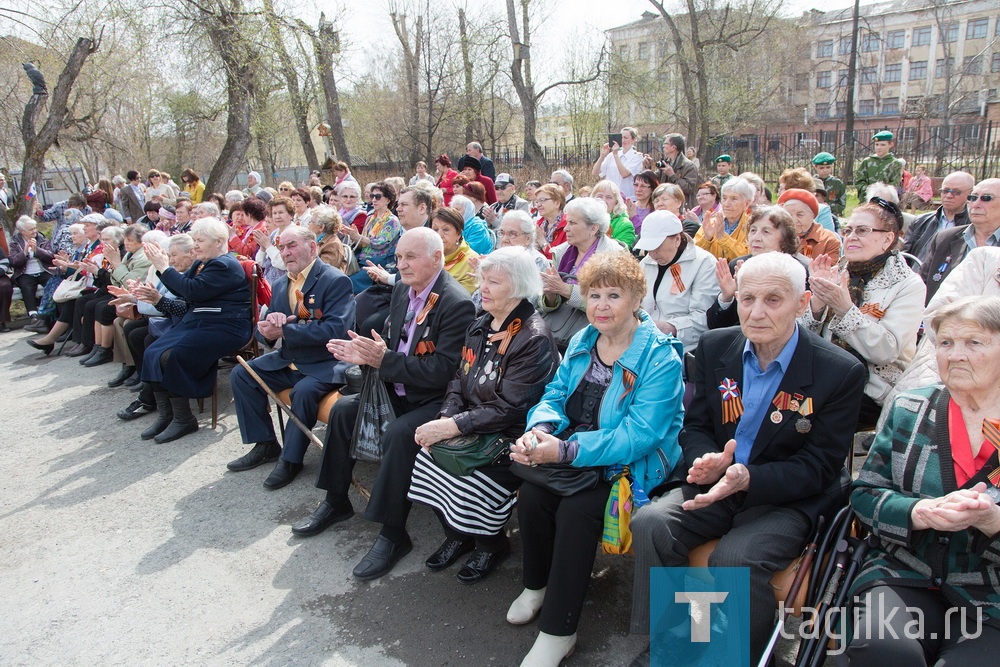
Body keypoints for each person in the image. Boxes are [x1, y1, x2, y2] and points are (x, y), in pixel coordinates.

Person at [628, 252, 867, 666]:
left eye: (773, 300)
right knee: (651, 523)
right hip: (718, 483)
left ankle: (740, 656)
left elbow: (820, 466)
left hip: (787, 496)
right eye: (746, 298)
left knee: (735, 557)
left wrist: (748, 477)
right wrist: (708, 459)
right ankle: (683, 639)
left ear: (802, 302)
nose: (755, 312)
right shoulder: (715, 345)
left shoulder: (839, 371)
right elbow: (697, 424)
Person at [508, 252, 685, 666]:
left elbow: (640, 435)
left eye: (613, 295)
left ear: (637, 297)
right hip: (576, 447)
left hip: (629, 465)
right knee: (533, 495)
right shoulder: (585, 340)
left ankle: (559, 631)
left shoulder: (660, 358)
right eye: (593, 295)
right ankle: (537, 585)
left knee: (578, 510)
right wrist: (542, 431)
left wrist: (567, 451)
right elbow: (553, 395)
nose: (601, 305)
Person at [292, 229, 476, 582]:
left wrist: (382, 360)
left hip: (436, 399)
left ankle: (393, 534)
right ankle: (336, 499)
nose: (401, 264)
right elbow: (391, 346)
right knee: (346, 410)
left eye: (411, 257)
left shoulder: (456, 302)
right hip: (399, 386)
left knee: (399, 432)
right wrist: (365, 354)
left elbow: (443, 372)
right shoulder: (403, 290)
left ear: (436, 258)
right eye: (399, 257)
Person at [846, 296, 1000, 663]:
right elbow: (865, 494)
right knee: (884, 651)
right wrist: (919, 512)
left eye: (974, 343)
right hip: (903, 572)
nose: (955, 355)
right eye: (945, 343)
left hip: (990, 592)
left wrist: (994, 522)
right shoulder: (911, 408)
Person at [407, 247, 559, 582]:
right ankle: (458, 535)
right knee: (425, 456)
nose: (483, 288)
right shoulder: (481, 324)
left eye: (494, 282)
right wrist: (445, 420)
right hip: (474, 422)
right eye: (482, 280)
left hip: (512, 437)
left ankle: (491, 544)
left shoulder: (533, 338)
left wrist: (451, 426)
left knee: (473, 479)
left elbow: (511, 408)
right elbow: (459, 380)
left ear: (518, 287)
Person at [227, 226, 355, 487]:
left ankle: (291, 460)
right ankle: (265, 444)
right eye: (281, 247)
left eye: (292, 245)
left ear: (312, 247)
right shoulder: (279, 282)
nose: (285, 252)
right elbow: (270, 333)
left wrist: (286, 329)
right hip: (289, 358)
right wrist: (266, 331)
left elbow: (335, 330)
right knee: (242, 373)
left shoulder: (334, 280)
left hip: (325, 362)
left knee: (304, 392)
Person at [801, 199, 925, 428]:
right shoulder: (837, 272)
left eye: (862, 230)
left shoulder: (907, 284)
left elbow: (886, 350)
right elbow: (804, 338)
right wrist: (817, 302)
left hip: (874, 386)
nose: (851, 237)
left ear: (888, 238)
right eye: (848, 230)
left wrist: (844, 309)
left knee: (807, 416)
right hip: (824, 374)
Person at [139, 217, 252, 443]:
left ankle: (184, 419)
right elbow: (184, 292)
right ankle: (167, 414)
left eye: (200, 240)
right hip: (203, 321)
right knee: (152, 350)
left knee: (171, 355)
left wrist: (163, 266)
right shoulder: (204, 263)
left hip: (226, 326)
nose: (195, 245)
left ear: (219, 241)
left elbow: (193, 291)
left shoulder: (224, 265)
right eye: (194, 240)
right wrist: (158, 298)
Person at [707, 206, 805, 330]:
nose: (756, 238)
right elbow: (716, 326)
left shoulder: (799, 270)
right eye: (753, 230)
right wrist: (727, 297)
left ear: (785, 239)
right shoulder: (738, 265)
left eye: (766, 232)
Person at [634, 210, 719, 352]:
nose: (652, 253)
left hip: (684, 348)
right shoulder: (646, 263)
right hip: (646, 344)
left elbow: (705, 318)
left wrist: (671, 327)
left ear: (677, 240)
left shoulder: (704, 263)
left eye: (657, 246)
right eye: (648, 247)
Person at [541, 198, 626, 315]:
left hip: (599, 327)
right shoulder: (561, 252)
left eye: (572, 223)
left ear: (593, 228)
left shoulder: (613, 256)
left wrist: (566, 290)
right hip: (561, 327)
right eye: (566, 223)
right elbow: (548, 307)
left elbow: (612, 303)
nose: (566, 228)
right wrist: (550, 295)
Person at [921, 178, 1000, 303]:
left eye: (986, 198)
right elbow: (922, 285)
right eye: (972, 198)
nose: (976, 204)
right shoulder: (945, 238)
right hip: (942, 317)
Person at [903, 171, 973, 263]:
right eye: (945, 191)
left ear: (970, 195)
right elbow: (905, 255)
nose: (948, 195)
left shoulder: (973, 225)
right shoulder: (921, 221)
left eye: (956, 192)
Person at [693, 176, 755, 260]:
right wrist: (706, 238)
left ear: (746, 204)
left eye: (734, 199)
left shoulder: (752, 227)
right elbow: (693, 253)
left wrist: (723, 238)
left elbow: (748, 257)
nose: (726, 204)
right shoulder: (711, 223)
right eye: (724, 198)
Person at [9, 216, 55, 320]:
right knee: (26, 287)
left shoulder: (41, 238)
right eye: (31, 229)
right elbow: (14, 262)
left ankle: (50, 311)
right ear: (22, 231)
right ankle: (33, 313)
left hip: (44, 270)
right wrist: (24, 252)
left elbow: (51, 256)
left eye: (35, 228)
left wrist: (37, 251)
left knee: (51, 283)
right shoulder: (15, 243)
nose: (34, 231)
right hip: (25, 272)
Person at [778, 188, 841, 259]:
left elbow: (829, 267)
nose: (794, 220)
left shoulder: (828, 240)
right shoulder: (777, 236)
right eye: (789, 215)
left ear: (812, 215)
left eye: (800, 215)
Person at [430, 206, 480, 294]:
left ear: (459, 234)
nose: (439, 234)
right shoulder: (426, 256)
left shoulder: (472, 262)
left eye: (446, 230)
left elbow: (460, 298)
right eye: (435, 229)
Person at [591, 126, 644, 201]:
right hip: (611, 198)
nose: (623, 140)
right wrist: (602, 156)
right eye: (621, 137)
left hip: (627, 198)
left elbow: (624, 174)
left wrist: (616, 155)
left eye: (626, 138)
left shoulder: (637, 157)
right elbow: (595, 172)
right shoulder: (610, 156)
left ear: (633, 140)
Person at [855, 131, 903, 203]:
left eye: (883, 145)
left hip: (886, 201)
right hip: (867, 200)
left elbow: (894, 183)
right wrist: (869, 190)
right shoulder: (867, 162)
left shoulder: (895, 163)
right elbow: (859, 181)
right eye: (877, 144)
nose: (879, 148)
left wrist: (882, 193)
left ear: (890, 145)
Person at [655, 132, 700, 208]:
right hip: (664, 204)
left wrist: (672, 175)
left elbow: (690, 188)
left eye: (666, 143)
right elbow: (654, 180)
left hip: (680, 207)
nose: (663, 146)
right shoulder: (666, 162)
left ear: (673, 147)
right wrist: (647, 166)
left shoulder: (689, 165)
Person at [591, 179, 636, 249]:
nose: (603, 200)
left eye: (609, 197)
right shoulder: (585, 219)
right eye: (599, 196)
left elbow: (622, 254)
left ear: (616, 202)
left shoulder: (625, 224)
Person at [308, 205, 348, 272]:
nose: (308, 224)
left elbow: (322, 270)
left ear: (321, 227)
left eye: (311, 222)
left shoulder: (332, 244)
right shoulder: (319, 239)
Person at [533, 183, 567, 259]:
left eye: (542, 200)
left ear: (557, 203)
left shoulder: (567, 226)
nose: (538, 205)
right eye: (537, 201)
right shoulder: (538, 225)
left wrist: (542, 241)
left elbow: (559, 258)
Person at [811, 152, 847, 217]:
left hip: (832, 215)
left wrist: (830, 207)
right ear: (815, 167)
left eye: (828, 167)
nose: (825, 170)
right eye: (821, 168)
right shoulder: (811, 182)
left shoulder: (837, 183)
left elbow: (842, 204)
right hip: (814, 214)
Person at [627, 170, 659, 236]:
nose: (638, 189)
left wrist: (634, 217)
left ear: (652, 189)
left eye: (643, 186)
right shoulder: (629, 207)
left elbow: (647, 235)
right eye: (636, 185)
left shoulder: (656, 211)